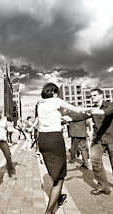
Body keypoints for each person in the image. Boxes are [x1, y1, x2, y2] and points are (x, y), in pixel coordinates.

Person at [36, 83, 83, 214]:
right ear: (54, 93)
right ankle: (49, 211)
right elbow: (77, 110)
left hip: (43, 140)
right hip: (55, 139)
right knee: (60, 178)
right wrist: (90, 109)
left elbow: (48, 119)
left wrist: (62, 119)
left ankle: (59, 197)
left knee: (53, 172)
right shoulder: (56, 100)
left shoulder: (40, 105)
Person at [86, 88, 113, 195]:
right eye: (91, 96)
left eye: (94, 95)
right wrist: (66, 118)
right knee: (95, 161)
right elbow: (80, 116)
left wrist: (96, 111)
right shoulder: (93, 109)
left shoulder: (110, 105)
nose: (92, 98)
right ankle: (103, 186)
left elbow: (107, 112)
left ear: (101, 95)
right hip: (98, 140)